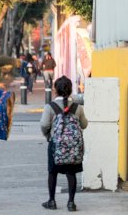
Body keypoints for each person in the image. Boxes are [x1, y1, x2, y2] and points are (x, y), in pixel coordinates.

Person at [40, 76, 88, 212]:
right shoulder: (77, 108)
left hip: (56, 145)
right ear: (71, 89)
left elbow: (44, 124)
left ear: (55, 90)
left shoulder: (50, 107)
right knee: (71, 173)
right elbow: (84, 125)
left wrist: (48, 136)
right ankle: (71, 203)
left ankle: (51, 201)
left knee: (52, 172)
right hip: (73, 148)